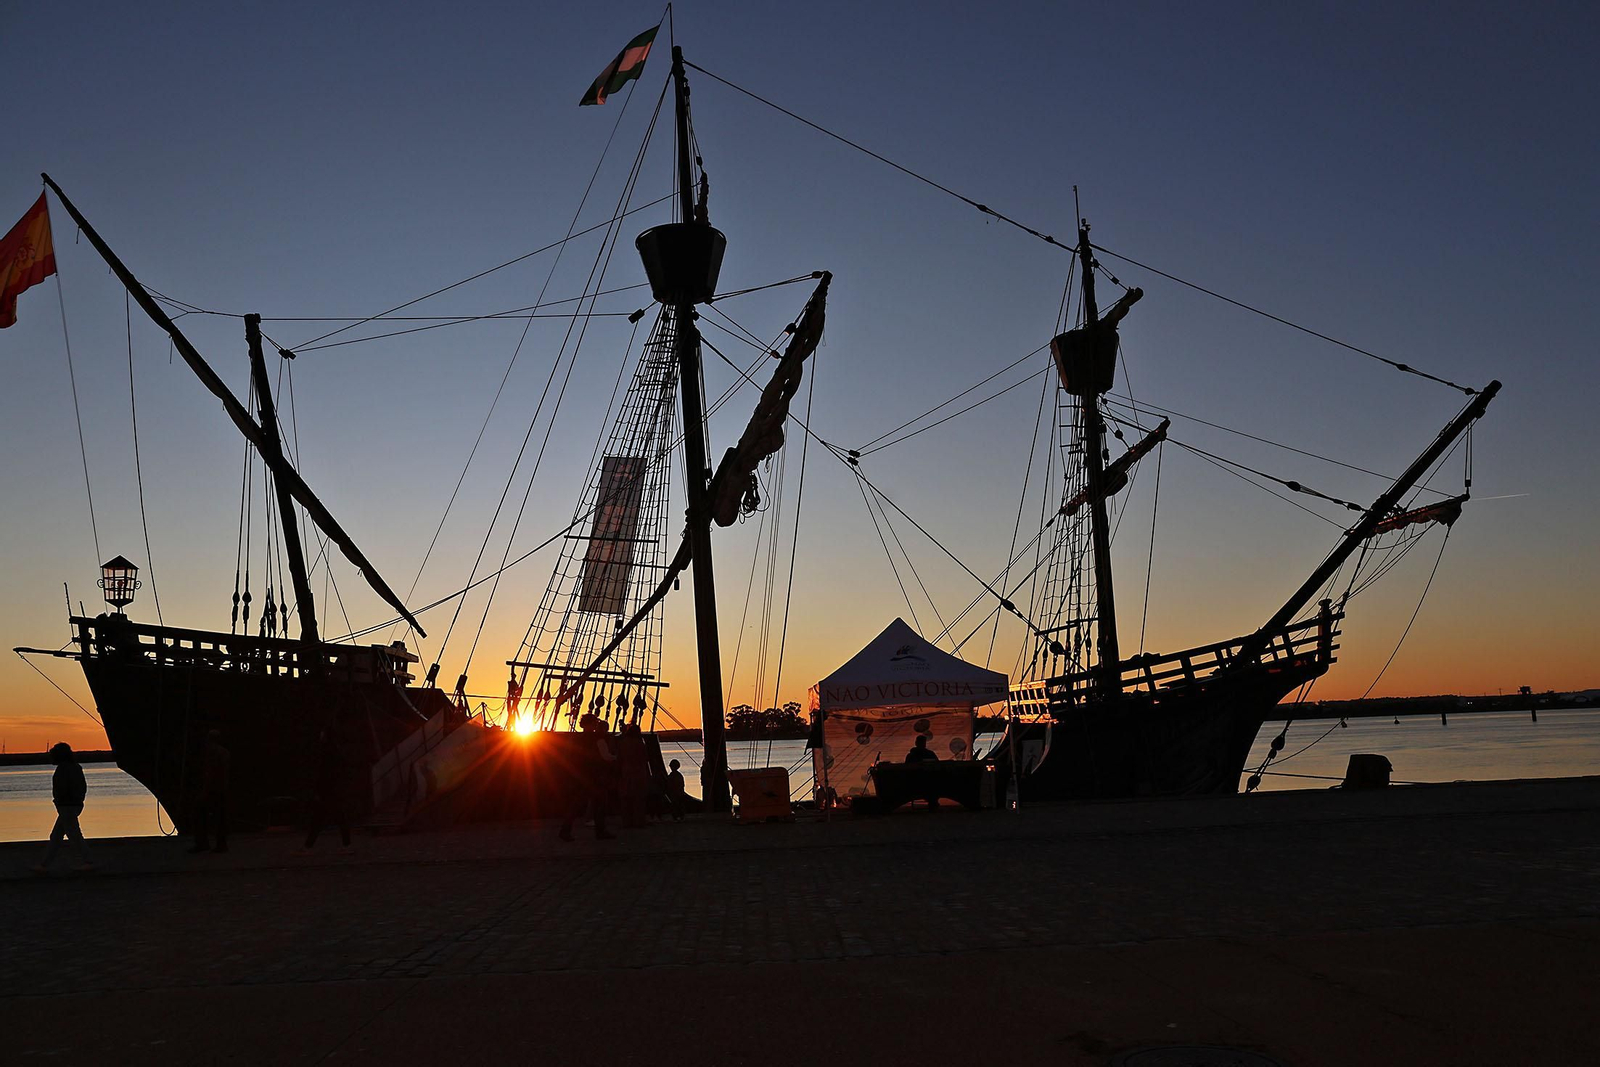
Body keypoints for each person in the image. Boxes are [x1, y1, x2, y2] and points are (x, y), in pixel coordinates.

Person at [34, 743, 94, 874]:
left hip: (67, 806)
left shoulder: (64, 769)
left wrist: (60, 802)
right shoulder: (76, 767)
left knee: (74, 835)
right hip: (72, 805)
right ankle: (44, 864)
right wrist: (78, 801)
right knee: (56, 835)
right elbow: (82, 787)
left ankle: (89, 861)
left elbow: (62, 789)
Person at [296, 724, 354, 855]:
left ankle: (308, 847)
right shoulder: (336, 751)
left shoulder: (327, 751)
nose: (320, 735)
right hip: (334, 790)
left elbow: (324, 774)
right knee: (337, 818)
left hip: (328, 791)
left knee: (320, 819)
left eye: (322, 733)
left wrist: (319, 790)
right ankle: (346, 846)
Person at [559, 715, 615, 841]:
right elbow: (606, 756)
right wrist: (616, 758)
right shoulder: (598, 739)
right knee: (600, 804)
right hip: (595, 775)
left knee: (576, 804)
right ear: (592, 724)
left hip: (580, 775)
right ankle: (600, 831)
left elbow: (569, 755)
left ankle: (565, 830)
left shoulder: (576, 739)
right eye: (595, 722)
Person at [189, 729, 230, 853]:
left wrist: (205, 790)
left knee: (199, 814)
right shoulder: (225, 752)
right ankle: (221, 844)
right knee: (220, 818)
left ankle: (202, 843)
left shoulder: (211, 752)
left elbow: (210, 772)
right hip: (223, 788)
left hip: (212, 789)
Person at [617, 722, 649, 828]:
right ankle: (639, 821)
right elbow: (644, 757)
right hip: (638, 772)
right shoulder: (640, 743)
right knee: (638, 799)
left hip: (625, 772)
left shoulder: (623, 742)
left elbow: (620, 756)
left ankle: (627, 821)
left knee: (626, 798)